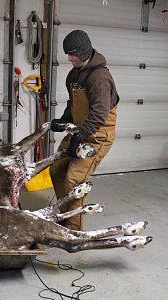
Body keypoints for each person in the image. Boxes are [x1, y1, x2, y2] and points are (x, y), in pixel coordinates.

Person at [50, 30, 119, 231]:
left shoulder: (100, 77)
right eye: (67, 54)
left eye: (72, 53)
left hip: (98, 135)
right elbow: (74, 103)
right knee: (56, 169)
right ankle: (65, 213)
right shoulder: (74, 74)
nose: (68, 58)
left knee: (75, 178)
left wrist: (80, 136)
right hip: (80, 130)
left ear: (83, 51)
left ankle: (73, 229)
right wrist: (64, 119)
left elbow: (99, 113)